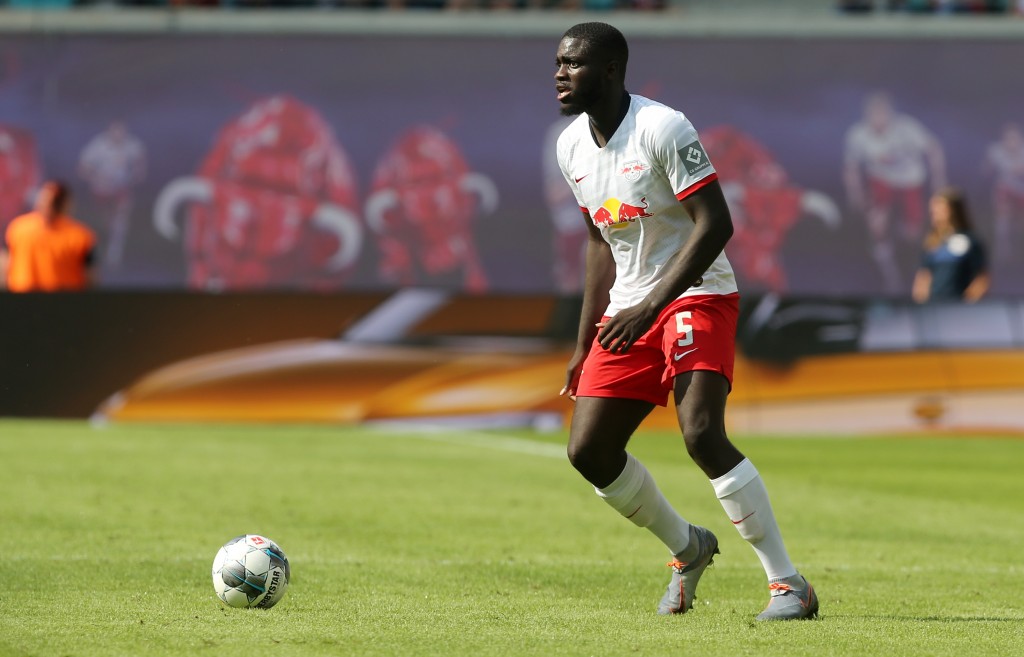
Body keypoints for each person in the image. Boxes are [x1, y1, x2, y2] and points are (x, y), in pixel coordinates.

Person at [552, 22, 817, 621]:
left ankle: (789, 585)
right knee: (589, 451)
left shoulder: (662, 127)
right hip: (628, 309)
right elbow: (598, 242)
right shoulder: (570, 146)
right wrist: (584, 339)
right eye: (558, 63)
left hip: (697, 295)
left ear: (611, 70)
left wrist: (651, 306)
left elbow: (716, 224)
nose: (560, 75)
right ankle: (688, 546)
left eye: (573, 64)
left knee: (700, 432)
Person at [843, 92, 946, 294]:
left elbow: (934, 148)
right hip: (880, 179)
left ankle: (904, 247)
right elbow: (850, 167)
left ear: (890, 114)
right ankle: (890, 275)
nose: (878, 119)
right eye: (873, 114)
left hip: (910, 180)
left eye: (882, 114)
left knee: (912, 232)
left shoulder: (907, 128)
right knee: (876, 224)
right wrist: (854, 193)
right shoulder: (858, 134)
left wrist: (938, 179)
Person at [1, 181, 96, 292]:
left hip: (61, 299)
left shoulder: (80, 237)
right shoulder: (18, 229)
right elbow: (5, 264)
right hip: (25, 297)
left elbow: (89, 275)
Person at [77, 120, 147, 269]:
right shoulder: (98, 145)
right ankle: (101, 245)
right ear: (109, 131)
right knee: (106, 221)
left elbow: (141, 167)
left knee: (121, 218)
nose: (118, 135)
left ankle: (114, 253)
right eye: (115, 131)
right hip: (101, 190)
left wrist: (133, 177)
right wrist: (96, 178)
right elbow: (82, 168)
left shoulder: (132, 145)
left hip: (122, 189)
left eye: (121, 131)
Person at [911, 187, 989, 304]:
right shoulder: (932, 243)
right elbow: (924, 276)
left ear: (953, 209)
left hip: (959, 307)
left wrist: (967, 304)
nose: (934, 212)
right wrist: (922, 303)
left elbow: (981, 279)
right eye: (933, 208)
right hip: (934, 306)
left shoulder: (970, 241)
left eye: (939, 208)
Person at [983, 123, 1024, 263]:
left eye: (1014, 138)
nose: (1011, 142)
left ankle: (1018, 244)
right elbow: (986, 170)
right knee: (1002, 214)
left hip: (1021, 190)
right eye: (1008, 139)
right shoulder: (996, 151)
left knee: (1020, 221)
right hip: (1004, 187)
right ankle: (1003, 247)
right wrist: (988, 168)